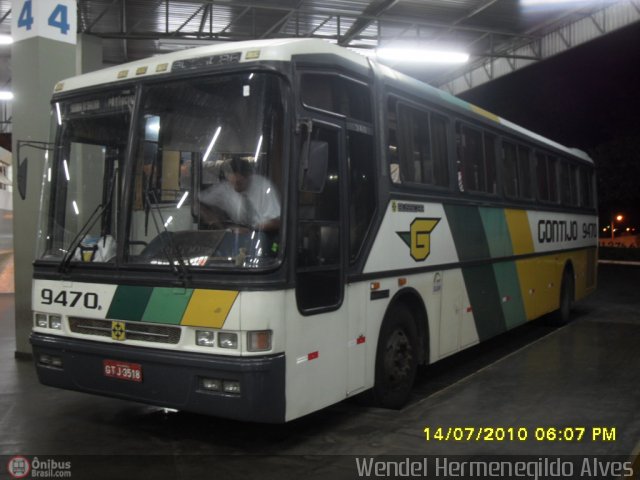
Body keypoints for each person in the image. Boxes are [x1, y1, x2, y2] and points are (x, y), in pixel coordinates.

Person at [199, 156, 281, 233]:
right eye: (232, 183)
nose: (235, 187)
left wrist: (250, 230)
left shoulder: (264, 187)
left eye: (239, 183)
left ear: (248, 176)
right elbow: (199, 202)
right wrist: (216, 223)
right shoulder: (226, 188)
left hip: (263, 234)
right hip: (237, 235)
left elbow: (276, 222)